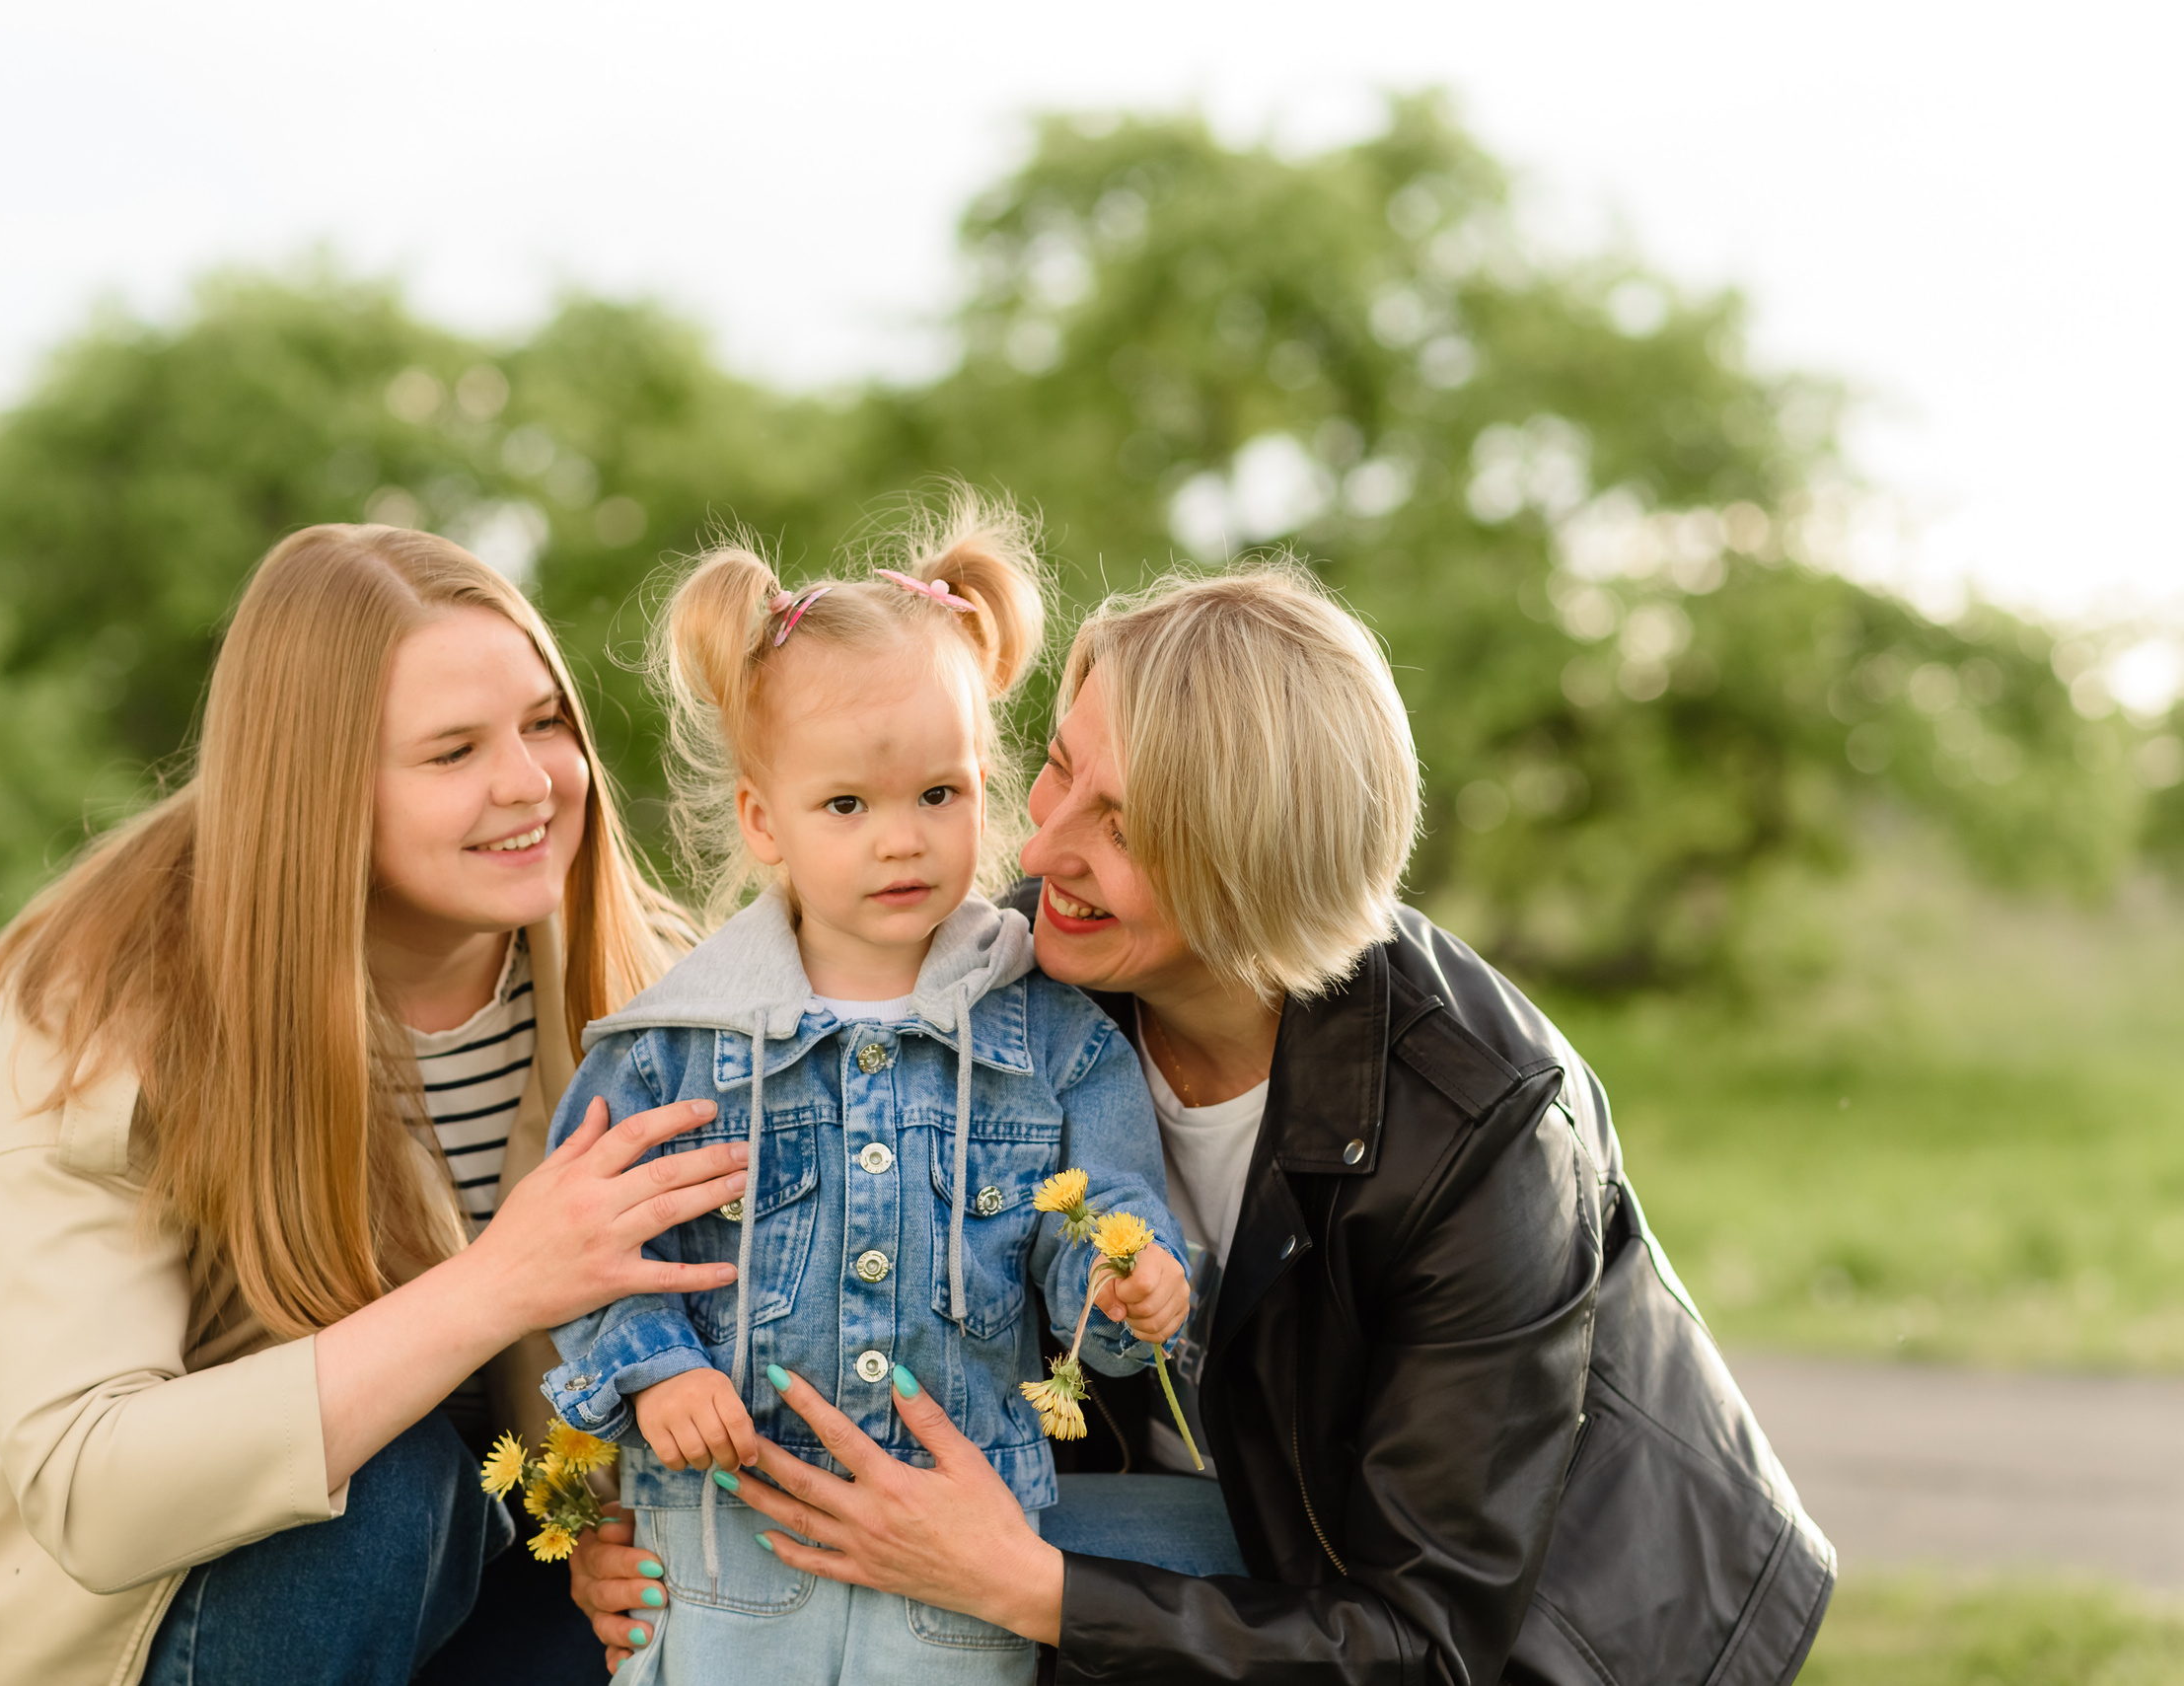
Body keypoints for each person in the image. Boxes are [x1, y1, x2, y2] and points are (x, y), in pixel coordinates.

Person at [572, 565, 1835, 1684]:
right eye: (1059, 764)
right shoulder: (1006, 978)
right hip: (1193, 1544)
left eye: (1120, 826)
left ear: (1247, 867)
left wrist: (1022, 1583)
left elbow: (1422, 1638)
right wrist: (672, 1530)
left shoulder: (1482, 1131)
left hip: (1523, 1632)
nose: (1037, 838)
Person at [0, 525, 754, 1686]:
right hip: (103, 1618)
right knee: (388, 1487)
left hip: (477, 1538)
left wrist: (620, 1528)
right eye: (452, 750)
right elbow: (90, 1486)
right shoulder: (109, 999)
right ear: (315, 786)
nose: (530, 780)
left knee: (653, 1600)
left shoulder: (645, 980)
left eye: (544, 721)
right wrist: (500, 1278)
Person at [541, 500, 1191, 1685]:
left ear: (984, 783)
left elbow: (1098, 1204)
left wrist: (1123, 1270)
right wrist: (656, 1364)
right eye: (848, 805)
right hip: (726, 1536)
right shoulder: (670, 1047)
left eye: (938, 795)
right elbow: (585, 1258)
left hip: (960, 1542)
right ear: (763, 820)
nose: (902, 839)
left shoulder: (1050, 1032)